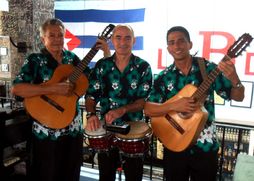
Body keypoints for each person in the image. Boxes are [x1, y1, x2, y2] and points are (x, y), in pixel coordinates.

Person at [10, 18, 111, 181]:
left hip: (73, 130)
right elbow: (17, 88)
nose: (57, 39)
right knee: (46, 174)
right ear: (43, 39)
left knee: (71, 173)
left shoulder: (72, 58)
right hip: (46, 133)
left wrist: (106, 53)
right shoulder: (35, 60)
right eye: (52, 35)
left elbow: (93, 81)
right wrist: (52, 88)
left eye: (60, 35)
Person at [144, 26, 245, 181]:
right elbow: (149, 109)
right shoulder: (164, 77)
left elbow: (238, 97)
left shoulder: (208, 69)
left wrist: (235, 79)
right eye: (172, 42)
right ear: (168, 48)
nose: (177, 46)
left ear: (190, 44)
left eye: (181, 41)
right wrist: (174, 106)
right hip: (175, 144)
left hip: (205, 147)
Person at [85, 24, 153, 181]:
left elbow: (143, 101)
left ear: (134, 41)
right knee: (106, 175)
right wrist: (91, 115)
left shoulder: (143, 67)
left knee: (133, 176)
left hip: (133, 129)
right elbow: (91, 95)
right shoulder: (102, 66)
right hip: (106, 128)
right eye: (118, 37)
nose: (123, 42)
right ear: (112, 41)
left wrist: (122, 110)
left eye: (127, 38)